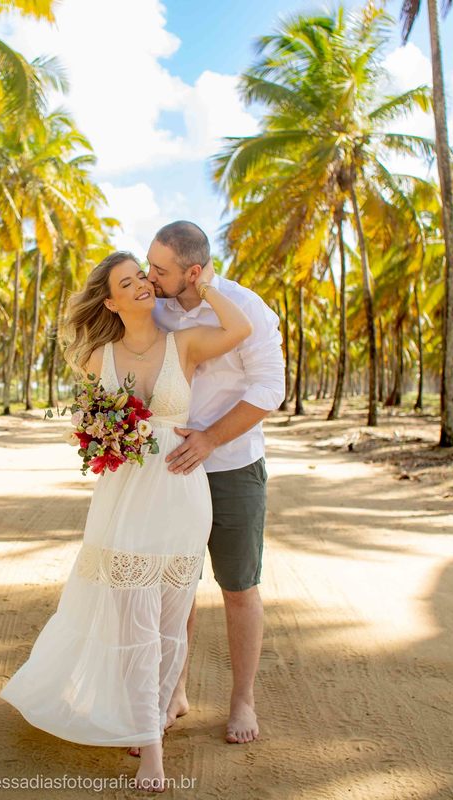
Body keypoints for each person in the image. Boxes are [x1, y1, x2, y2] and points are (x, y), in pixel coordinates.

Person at [0, 250, 252, 792]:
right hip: (124, 497)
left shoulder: (184, 344)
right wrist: (96, 434)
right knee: (132, 621)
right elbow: (85, 425)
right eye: (127, 282)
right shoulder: (98, 358)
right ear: (110, 302)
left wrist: (202, 286)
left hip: (182, 492)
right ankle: (151, 750)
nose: (140, 285)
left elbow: (241, 326)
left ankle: (153, 714)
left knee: (168, 621)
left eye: (143, 277)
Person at [147, 220, 285, 747]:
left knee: (238, 588)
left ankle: (242, 699)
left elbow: (271, 388)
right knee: (173, 587)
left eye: (161, 269)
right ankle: (173, 690)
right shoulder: (156, 304)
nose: (150, 276)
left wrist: (209, 438)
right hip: (171, 469)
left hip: (233, 466)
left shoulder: (248, 308)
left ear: (195, 272)